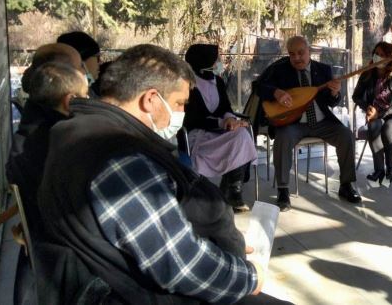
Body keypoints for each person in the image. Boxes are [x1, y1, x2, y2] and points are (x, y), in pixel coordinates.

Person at [38, 44, 279, 303]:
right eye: (179, 103)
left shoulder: (74, 132)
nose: (181, 114)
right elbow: (180, 265)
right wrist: (250, 278)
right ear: (151, 99)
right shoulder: (121, 161)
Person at [257, 35, 361, 211]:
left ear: (309, 51)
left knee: (346, 136)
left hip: (322, 122)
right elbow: (258, 86)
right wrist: (276, 93)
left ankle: (346, 185)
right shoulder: (280, 70)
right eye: (292, 54)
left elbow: (331, 102)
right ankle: (283, 191)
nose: (296, 58)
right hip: (294, 124)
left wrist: (335, 93)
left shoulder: (323, 70)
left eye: (300, 53)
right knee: (282, 138)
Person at [7, 62, 88, 238]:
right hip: (68, 242)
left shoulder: (26, 135)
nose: (89, 100)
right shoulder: (64, 143)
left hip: (43, 239)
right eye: (85, 96)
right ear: (70, 101)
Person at [184, 43, 257, 212]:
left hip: (218, 132)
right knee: (239, 138)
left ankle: (233, 191)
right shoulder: (188, 84)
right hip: (198, 134)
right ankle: (229, 191)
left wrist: (231, 119)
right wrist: (221, 123)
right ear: (205, 61)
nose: (219, 62)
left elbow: (226, 108)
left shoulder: (217, 80)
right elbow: (193, 119)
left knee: (242, 135)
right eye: (217, 59)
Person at [352, 41, 392, 185]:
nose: (378, 57)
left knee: (389, 128)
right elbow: (356, 96)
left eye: (382, 55)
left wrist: (380, 114)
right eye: (376, 53)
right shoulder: (367, 74)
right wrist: (368, 107)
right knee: (374, 126)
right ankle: (379, 170)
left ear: (389, 58)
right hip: (376, 114)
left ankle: (390, 168)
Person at [57, 30, 101, 96]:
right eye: (97, 57)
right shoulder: (72, 97)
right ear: (79, 59)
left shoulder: (90, 86)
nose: (100, 62)